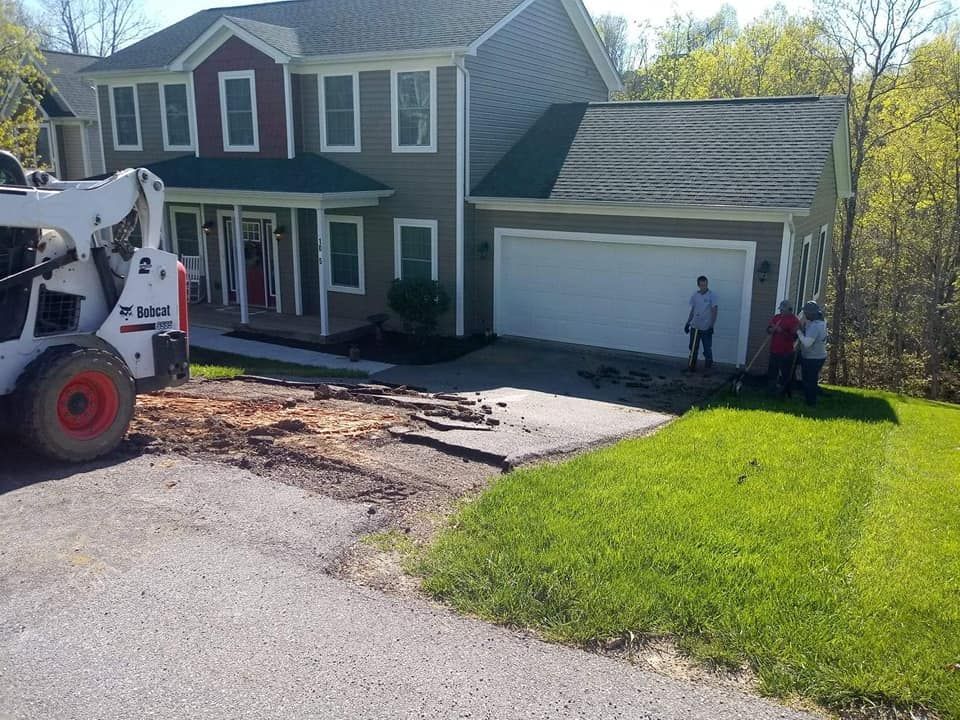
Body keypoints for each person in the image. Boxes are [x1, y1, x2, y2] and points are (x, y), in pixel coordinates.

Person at [796, 300, 828, 406]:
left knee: (809, 380)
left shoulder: (816, 326)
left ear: (812, 313)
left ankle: (811, 402)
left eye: (806, 313)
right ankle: (809, 399)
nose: (805, 314)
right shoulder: (821, 322)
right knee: (810, 379)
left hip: (813, 357)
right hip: (818, 355)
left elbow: (807, 343)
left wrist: (799, 332)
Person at [684, 275, 718, 372]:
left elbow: (714, 311)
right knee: (693, 347)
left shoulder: (712, 295)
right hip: (695, 326)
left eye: (705, 285)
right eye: (702, 285)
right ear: (698, 285)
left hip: (706, 328)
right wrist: (688, 323)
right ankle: (691, 367)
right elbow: (693, 310)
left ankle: (708, 369)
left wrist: (712, 325)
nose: (704, 287)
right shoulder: (695, 295)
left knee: (707, 349)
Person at [767, 299, 800, 396]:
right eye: (780, 309)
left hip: (786, 352)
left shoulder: (794, 321)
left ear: (789, 310)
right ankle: (770, 391)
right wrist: (771, 329)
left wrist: (781, 331)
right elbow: (768, 329)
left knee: (786, 374)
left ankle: (786, 392)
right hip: (774, 350)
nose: (781, 311)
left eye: (783, 310)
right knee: (772, 372)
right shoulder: (776, 318)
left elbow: (794, 337)